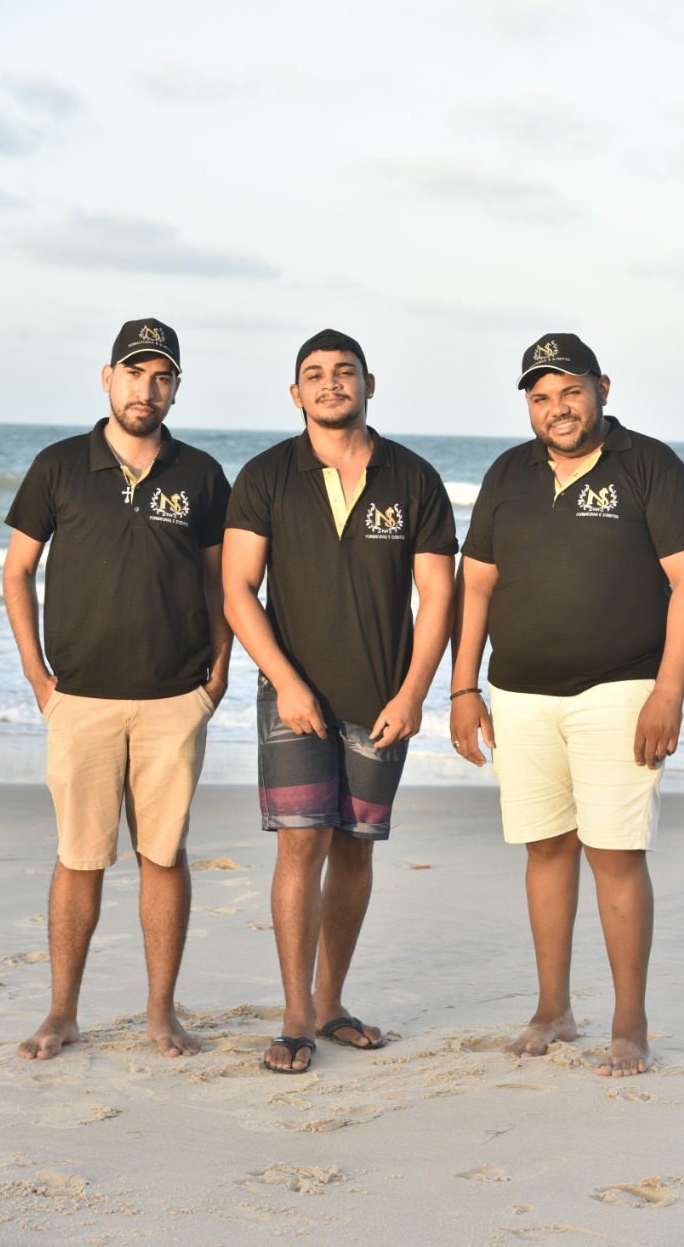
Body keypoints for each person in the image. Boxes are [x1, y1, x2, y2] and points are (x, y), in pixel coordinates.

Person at [450, 332, 684, 1077]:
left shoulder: (649, 465)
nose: (557, 408)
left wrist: (668, 692)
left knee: (615, 853)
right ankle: (553, 1010)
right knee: (545, 847)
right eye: (541, 397)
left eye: (570, 391)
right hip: (518, 694)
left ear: (601, 387)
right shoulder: (508, 472)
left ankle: (630, 1023)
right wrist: (464, 688)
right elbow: (476, 586)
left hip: (621, 690)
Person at [222, 328, 457, 1073]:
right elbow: (237, 589)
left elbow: (438, 593)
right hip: (292, 695)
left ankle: (331, 1004)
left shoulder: (413, 478)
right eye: (316, 374)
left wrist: (415, 693)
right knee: (301, 843)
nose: (331, 383)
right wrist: (286, 683)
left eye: (344, 371)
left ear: (368, 384)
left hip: (383, 698)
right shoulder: (266, 475)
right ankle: (295, 1015)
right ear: (296, 393)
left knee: (354, 848)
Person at [3, 318, 232, 1061]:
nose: (147, 389)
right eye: (135, 373)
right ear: (108, 378)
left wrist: (218, 671)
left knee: (163, 855)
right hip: (81, 699)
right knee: (79, 857)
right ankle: (62, 1013)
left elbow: (220, 582)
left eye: (162, 377)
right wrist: (38, 676)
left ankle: (161, 1015)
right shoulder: (59, 466)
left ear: (176, 388)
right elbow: (17, 571)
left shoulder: (201, 474)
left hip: (174, 698)